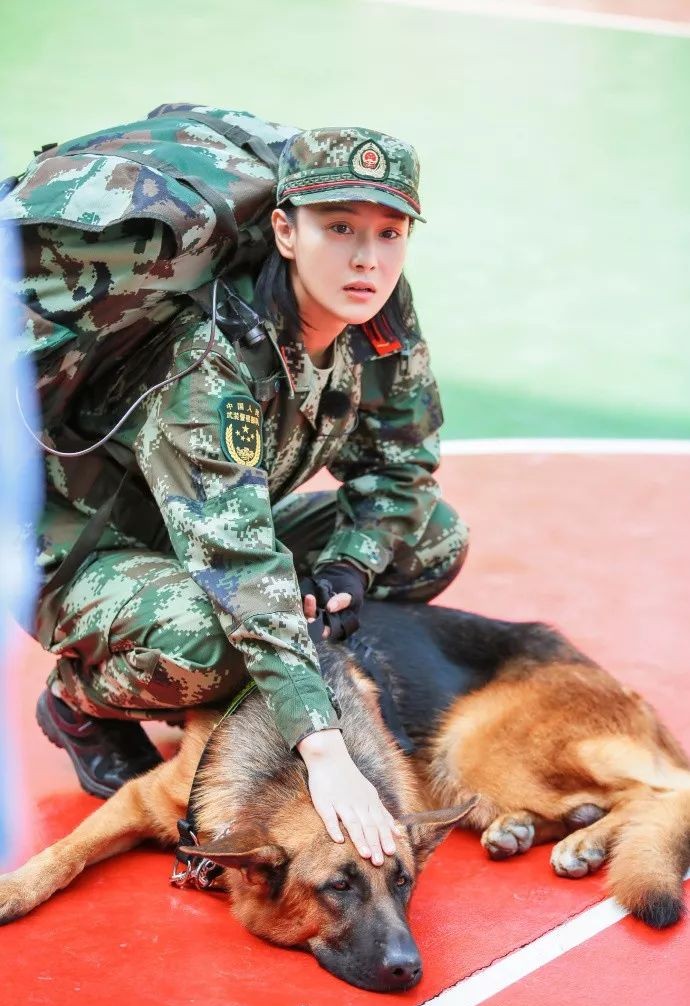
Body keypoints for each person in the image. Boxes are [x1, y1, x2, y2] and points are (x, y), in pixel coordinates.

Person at [6, 115, 469, 868]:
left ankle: (248, 670)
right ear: (285, 232)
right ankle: (79, 701)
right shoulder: (209, 361)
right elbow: (240, 568)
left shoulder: (380, 309)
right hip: (85, 551)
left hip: (203, 530)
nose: (366, 258)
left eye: (390, 233)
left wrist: (349, 565)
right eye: (340, 227)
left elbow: (403, 462)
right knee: (215, 633)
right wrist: (324, 750)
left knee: (429, 540)